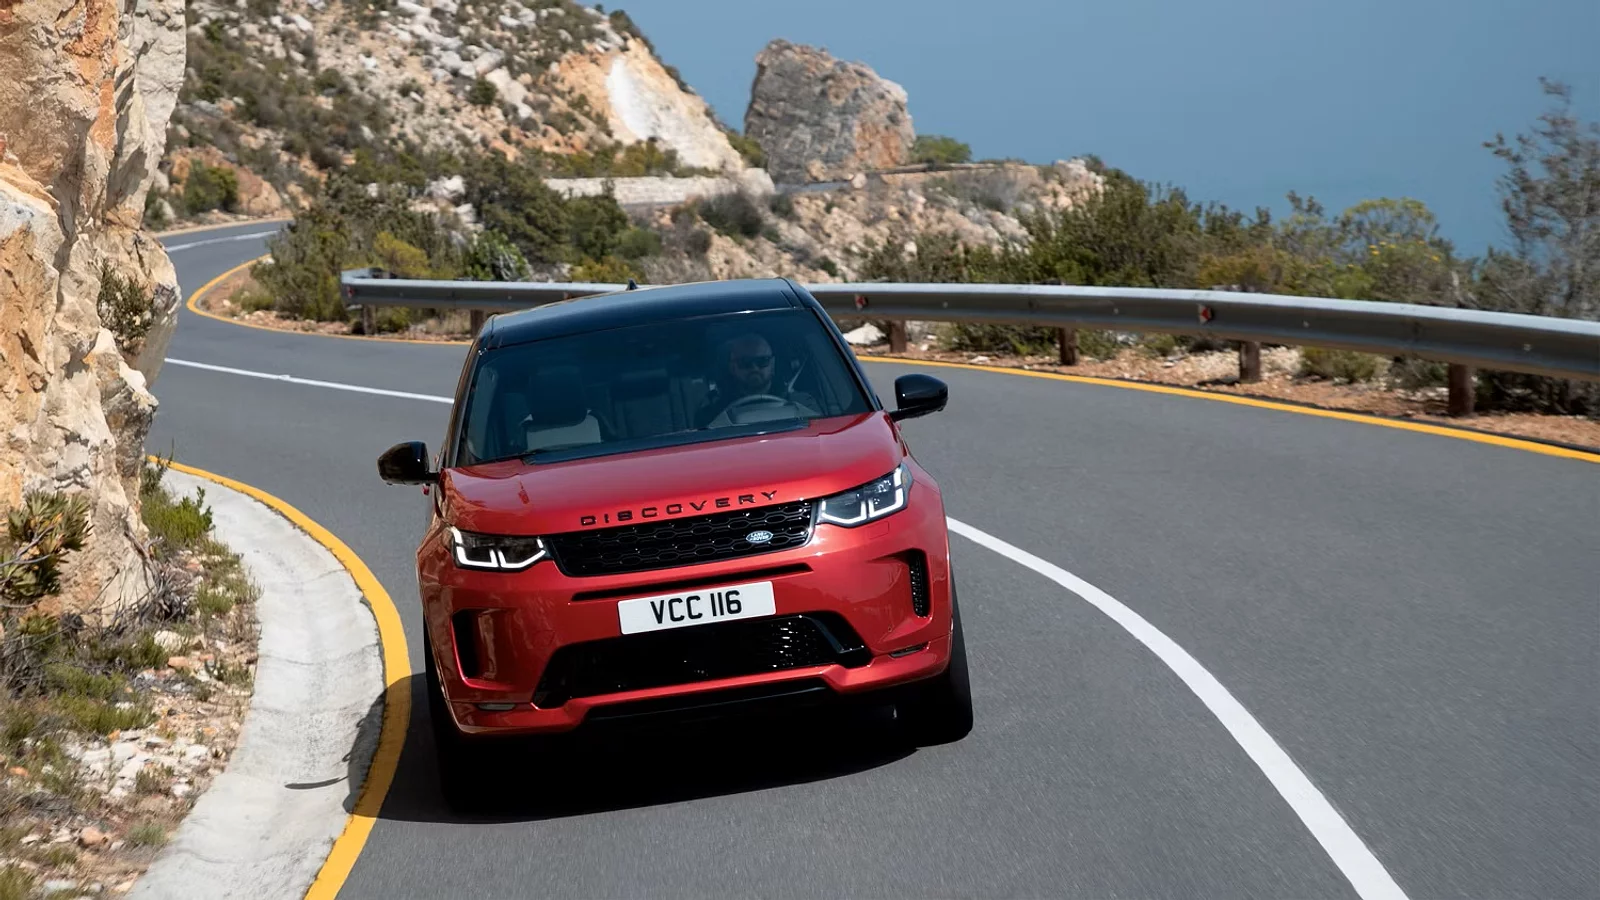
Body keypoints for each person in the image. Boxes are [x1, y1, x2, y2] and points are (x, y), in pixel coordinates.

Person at [695, 332, 818, 427]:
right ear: (732, 367)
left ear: (772, 364)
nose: (754, 368)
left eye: (762, 361)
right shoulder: (712, 415)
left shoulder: (803, 405)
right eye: (745, 362)